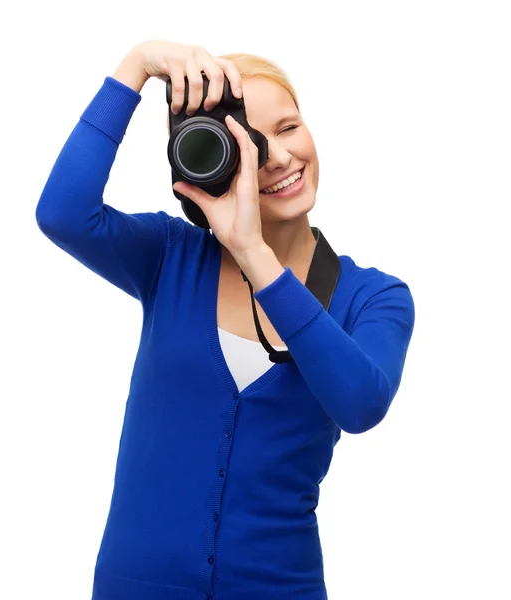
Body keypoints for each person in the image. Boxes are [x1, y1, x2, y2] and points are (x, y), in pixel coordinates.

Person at [35, 38, 415, 600]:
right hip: (133, 585)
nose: (281, 158)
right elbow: (62, 213)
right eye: (252, 146)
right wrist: (137, 64)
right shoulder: (170, 256)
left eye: (289, 128)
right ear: (215, 162)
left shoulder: (374, 296)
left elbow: (360, 405)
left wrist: (253, 252)